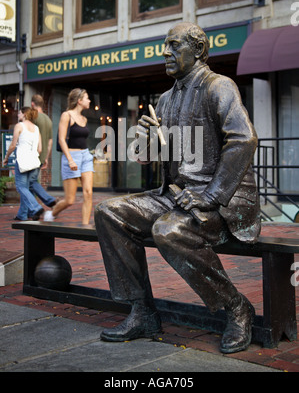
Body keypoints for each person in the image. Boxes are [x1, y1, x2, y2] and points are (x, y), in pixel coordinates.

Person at [94, 22, 261, 354]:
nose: (165, 52)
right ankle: (142, 311)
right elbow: (157, 156)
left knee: (168, 231)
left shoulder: (219, 86)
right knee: (108, 212)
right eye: (164, 46)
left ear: (198, 50)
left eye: (173, 45)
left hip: (221, 202)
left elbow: (244, 139)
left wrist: (211, 194)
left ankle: (236, 306)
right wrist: (143, 141)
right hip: (178, 197)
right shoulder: (166, 99)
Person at [44, 88, 94, 224]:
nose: (89, 101)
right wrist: (70, 160)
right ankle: (52, 212)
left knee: (88, 193)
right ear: (79, 100)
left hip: (85, 156)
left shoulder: (84, 119)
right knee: (70, 200)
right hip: (71, 156)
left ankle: (85, 225)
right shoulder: (67, 115)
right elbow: (61, 139)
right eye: (87, 98)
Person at [3, 107, 44, 221]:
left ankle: (35, 207)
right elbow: (39, 149)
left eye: (19, 113)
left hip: (22, 161)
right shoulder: (36, 128)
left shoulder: (19, 126)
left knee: (21, 187)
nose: (18, 115)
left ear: (24, 114)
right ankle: (23, 214)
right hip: (34, 161)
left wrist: (6, 157)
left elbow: (12, 145)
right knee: (27, 188)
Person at [28, 94, 57, 209]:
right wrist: (46, 157)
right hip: (41, 155)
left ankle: (48, 200)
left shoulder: (33, 117)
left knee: (30, 182)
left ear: (32, 104)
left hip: (32, 155)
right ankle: (32, 210)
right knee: (30, 184)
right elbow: (50, 141)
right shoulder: (48, 119)